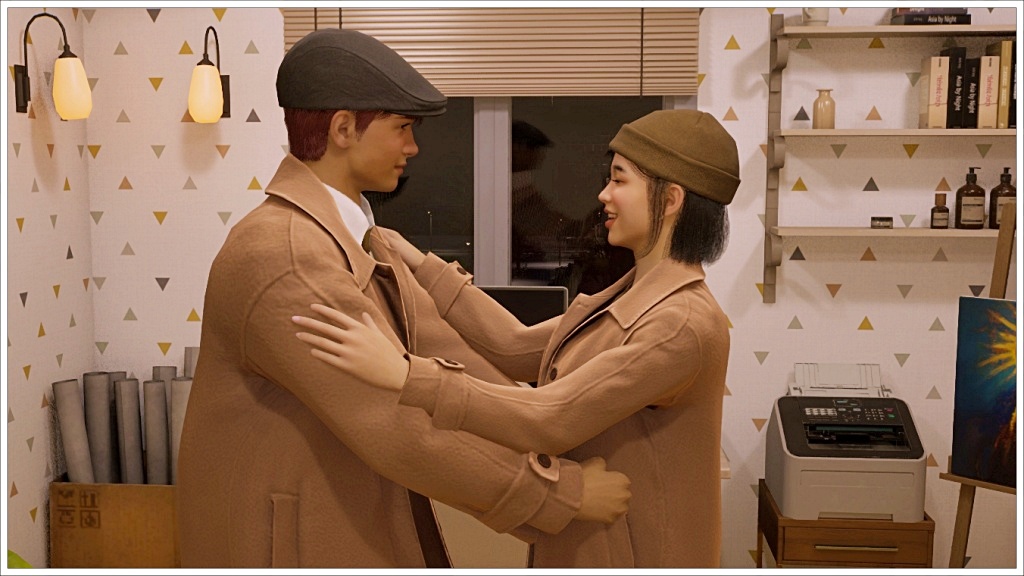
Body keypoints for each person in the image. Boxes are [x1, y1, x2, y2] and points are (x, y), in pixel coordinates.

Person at [175, 28, 631, 569]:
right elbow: (391, 421)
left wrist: (543, 437)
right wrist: (560, 493)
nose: (413, 148)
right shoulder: (287, 254)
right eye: (402, 128)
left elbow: (451, 350)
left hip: (341, 523)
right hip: (293, 545)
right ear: (344, 129)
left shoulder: (360, 238)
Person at [292, 108, 741, 567]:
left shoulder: (681, 324)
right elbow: (513, 345)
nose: (603, 195)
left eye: (619, 181)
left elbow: (551, 416)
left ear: (671, 200)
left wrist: (405, 375)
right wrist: (420, 264)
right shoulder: (631, 295)